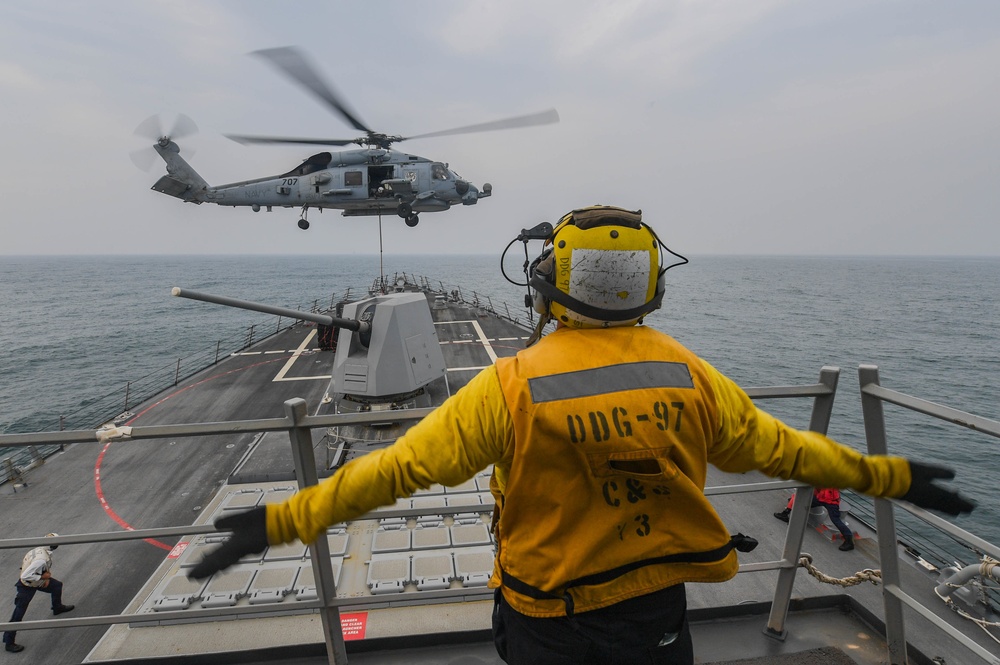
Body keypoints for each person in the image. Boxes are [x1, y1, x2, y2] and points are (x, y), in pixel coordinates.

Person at [189, 205, 975, 665]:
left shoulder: (510, 387)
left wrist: (278, 521)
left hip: (548, 621)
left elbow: (394, 472)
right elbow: (784, 451)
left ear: (546, 282)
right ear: (653, 287)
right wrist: (886, 474)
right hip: (657, 613)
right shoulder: (689, 375)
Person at [3, 533, 74, 653]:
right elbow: (25, 576)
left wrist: (45, 578)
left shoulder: (38, 550)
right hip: (27, 585)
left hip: (37, 580)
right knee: (18, 614)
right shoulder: (41, 559)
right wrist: (42, 577)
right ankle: (9, 642)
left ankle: (57, 607)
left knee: (56, 586)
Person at [774, 488, 856, 550]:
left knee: (799, 498)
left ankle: (849, 541)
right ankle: (849, 540)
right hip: (830, 498)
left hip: (825, 498)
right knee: (835, 519)